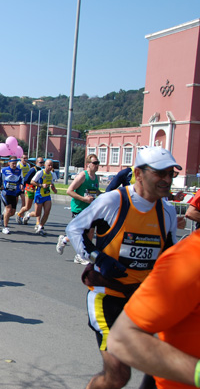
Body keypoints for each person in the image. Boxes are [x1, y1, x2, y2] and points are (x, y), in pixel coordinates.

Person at [65, 146, 180, 389]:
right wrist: (99, 259)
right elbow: (74, 229)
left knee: (164, 365)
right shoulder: (113, 201)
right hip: (107, 296)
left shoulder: (167, 211)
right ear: (138, 174)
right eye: (161, 173)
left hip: (143, 300)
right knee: (118, 374)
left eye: (171, 174)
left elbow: (168, 255)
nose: (167, 180)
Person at [107, 230, 200, 389]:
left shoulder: (166, 212)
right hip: (110, 291)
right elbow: (122, 339)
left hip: (142, 290)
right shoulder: (191, 257)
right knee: (117, 375)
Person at [57, 154, 101, 264]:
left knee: (90, 231)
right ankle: (80, 254)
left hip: (90, 209)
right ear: (88, 165)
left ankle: (71, 246)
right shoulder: (82, 176)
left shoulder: (96, 177)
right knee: (82, 232)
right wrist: (84, 199)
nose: (97, 165)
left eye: (98, 163)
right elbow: (69, 191)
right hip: (79, 208)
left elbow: (95, 191)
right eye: (95, 163)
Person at [30, 159, 57, 236]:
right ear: (45, 165)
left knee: (47, 212)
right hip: (39, 194)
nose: (50, 167)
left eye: (51, 165)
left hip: (47, 195)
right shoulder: (40, 173)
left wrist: (54, 189)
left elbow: (51, 183)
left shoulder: (52, 174)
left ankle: (40, 227)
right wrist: (41, 185)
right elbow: (32, 181)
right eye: (49, 165)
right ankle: (28, 215)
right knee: (37, 213)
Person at [16, 157, 44, 224]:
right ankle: (19, 214)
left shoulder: (43, 171)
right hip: (30, 189)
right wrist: (23, 186)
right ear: (36, 163)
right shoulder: (33, 170)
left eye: (43, 163)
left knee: (38, 207)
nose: (42, 164)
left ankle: (38, 223)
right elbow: (25, 179)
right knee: (27, 207)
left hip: (39, 190)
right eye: (40, 163)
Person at [0, 156, 23, 235]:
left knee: (12, 212)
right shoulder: (4, 170)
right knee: (8, 209)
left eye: (15, 163)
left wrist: (21, 185)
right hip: (5, 192)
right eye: (13, 163)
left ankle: (3, 216)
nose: (14, 165)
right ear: (9, 162)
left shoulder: (19, 170)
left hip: (14, 193)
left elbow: (21, 180)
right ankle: (5, 227)